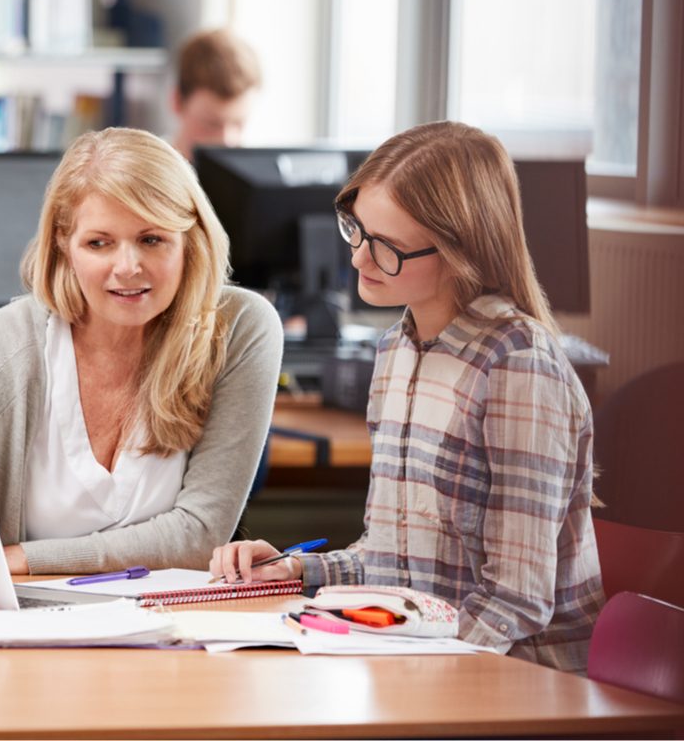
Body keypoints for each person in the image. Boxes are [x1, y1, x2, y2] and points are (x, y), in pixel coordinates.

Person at [209, 121, 605, 674]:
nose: (359, 261)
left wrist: (404, 663)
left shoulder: (516, 366)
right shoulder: (398, 348)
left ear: (462, 250)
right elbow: (395, 558)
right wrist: (297, 570)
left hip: (521, 680)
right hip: (424, 659)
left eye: (388, 248)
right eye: (357, 231)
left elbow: (516, 601)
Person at [0, 127, 283, 576]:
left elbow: (199, 535)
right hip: (17, 626)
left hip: (173, 629)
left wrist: (26, 558)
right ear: (62, 243)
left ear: (190, 240)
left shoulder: (239, 328)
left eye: (152, 239)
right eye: (99, 243)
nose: (127, 267)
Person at [170, 28, 262, 163]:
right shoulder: (143, 178)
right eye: (211, 124)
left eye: (239, 123)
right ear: (177, 101)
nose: (227, 141)